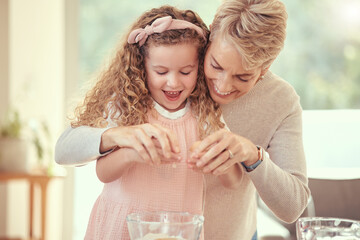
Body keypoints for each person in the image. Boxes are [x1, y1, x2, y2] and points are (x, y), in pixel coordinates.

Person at [55, 0, 311, 239]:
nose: (222, 86)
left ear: (264, 69)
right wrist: (119, 138)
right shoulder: (159, 79)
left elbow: (292, 206)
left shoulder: (279, 101)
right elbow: (68, 149)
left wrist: (250, 155)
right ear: (209, 39)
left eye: (243, 77)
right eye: (216, 65)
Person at [65, 5, 228, 239]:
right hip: (121, 228)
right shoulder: (126, 106)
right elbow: (102, 172)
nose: (173, 83)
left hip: (179, 231)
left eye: (185, 71)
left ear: (199, 68)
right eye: (161, 72)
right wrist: (133, 153)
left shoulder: (206, 113)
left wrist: (217, 159)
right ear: (142, 67)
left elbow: (231, 178)